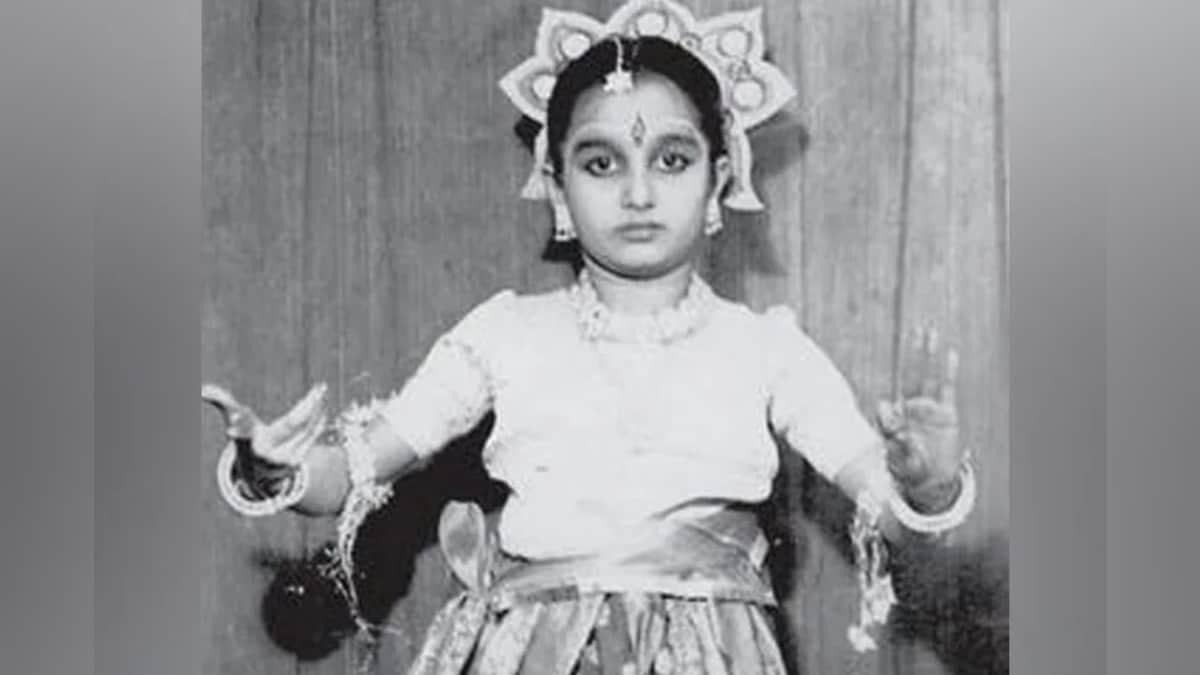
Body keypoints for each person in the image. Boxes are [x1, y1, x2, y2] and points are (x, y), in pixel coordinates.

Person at [203, 2, 976, 673]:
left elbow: (884, 498)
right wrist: (279, 472)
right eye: (602, 162)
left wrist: (928, 483)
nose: (638, 192)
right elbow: (354, 472)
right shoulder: (503, 333)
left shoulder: (767, 349)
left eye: (671, 159)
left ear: (718, 176)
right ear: (557, 184)